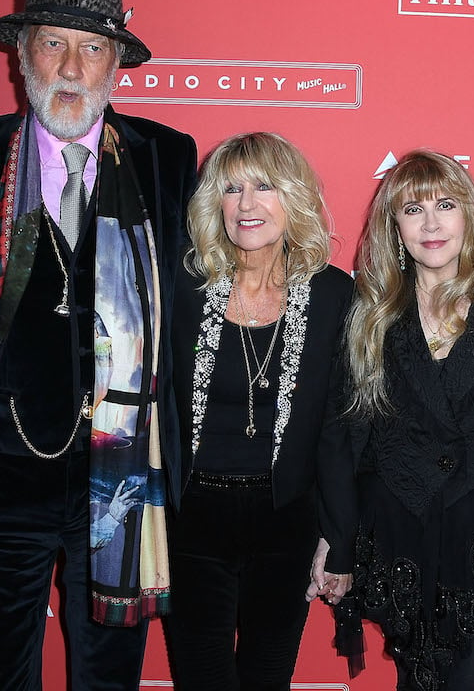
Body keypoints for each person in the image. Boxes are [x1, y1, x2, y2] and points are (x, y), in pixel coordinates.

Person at [0, 0, 197, 688]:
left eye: (92, 48)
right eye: (52, 43)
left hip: (118, 481)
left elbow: (194, 309)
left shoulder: (166, 159)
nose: (71, 66)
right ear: (20, 52)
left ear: (117, 63)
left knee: (109, 681)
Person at [332, 150, 474, 691]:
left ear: (469, 216)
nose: (431, 223)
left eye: (446, 204)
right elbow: (352, 435)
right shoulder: (370, 310)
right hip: (401, 536)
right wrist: (334, 536)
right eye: (413, 209)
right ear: (394, 225)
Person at [164, 131, 355, 689]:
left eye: (264, 186)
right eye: (231, 188)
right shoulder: (182, 284)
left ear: (292, 198)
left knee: (268, 679)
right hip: (191, 519)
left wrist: (339, 540)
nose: (246, 204)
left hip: (286, 522)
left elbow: (337, 430)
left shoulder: (331, 295)